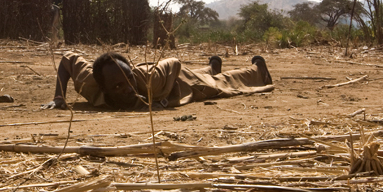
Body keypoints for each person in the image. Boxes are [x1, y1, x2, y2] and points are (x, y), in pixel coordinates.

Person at [42, 52, 274, 110]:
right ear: (102, 87)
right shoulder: (89, 80)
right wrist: (58, 97)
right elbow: (66, 61)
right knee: (207, 75)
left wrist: (162, 101)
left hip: (175, 81)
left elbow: (174, 63)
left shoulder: (150, 80)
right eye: (117, 87)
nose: (128, 89)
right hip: (165, 78)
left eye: (129, 80)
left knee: (221, 84)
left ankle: (258, 69)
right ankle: (211, 67)